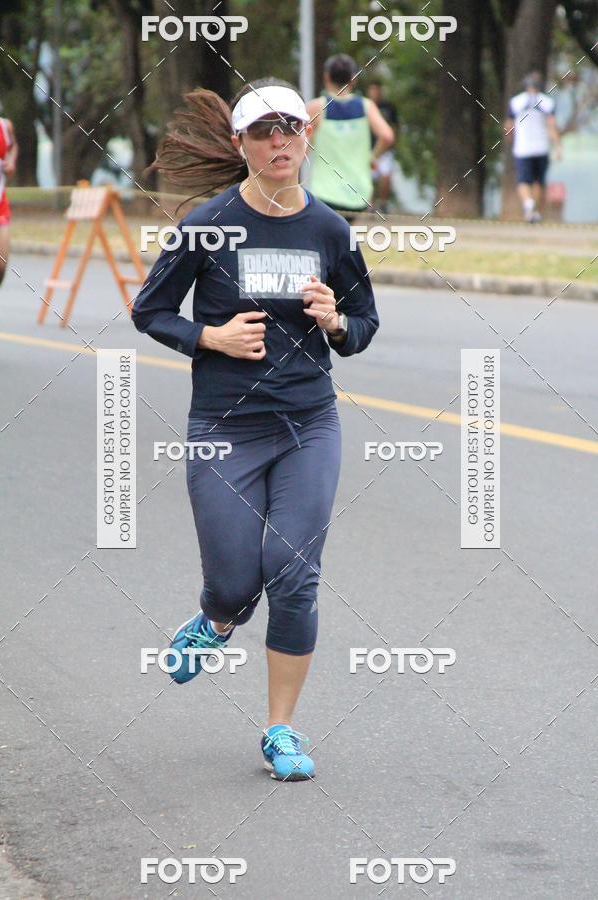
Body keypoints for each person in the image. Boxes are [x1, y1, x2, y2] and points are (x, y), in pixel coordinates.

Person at [132, 79, 379, 781]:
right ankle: (215, 620)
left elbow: (363, 327)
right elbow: (150, 311)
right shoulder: (208, 224)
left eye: (290, 129)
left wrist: (336, 322)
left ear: (306, 136)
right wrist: (209, 335)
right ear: (240, 143)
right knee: (239, 582)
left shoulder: (330, 230)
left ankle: (280, 731)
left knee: (294, 576)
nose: (279, 143)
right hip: (224, 429)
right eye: (264, 132)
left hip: (309, 424)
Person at [306, 55, 394, 219]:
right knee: (343, 236)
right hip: (357, 194)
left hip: (325, 193)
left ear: (326, 77)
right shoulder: (366, 106)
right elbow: (387, 136)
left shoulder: (317, 107)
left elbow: (299, 147)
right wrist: (372, 158)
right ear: (353, 79)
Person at [504, 70, 562, 223]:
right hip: (541, 148)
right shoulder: (548, 102)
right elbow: (552, 125)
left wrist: (509, 138)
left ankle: (528, 204)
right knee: (538, 181)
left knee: (523, 181)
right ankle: (535, 211)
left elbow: (509, 125)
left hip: (522, 148)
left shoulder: (515, 102)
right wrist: (558, 146)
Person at [366, 81, 399, 214]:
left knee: (385, 177)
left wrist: (394, 144)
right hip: (370, 148)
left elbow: (395, 127)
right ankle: (370, 205)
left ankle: (383, 202)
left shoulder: (388, 107)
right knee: (369, 179)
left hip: (385, 150)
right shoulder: (364, 107)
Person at [0, 102, 17, 289]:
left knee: (1, 264)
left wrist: (10, 162)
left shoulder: (5, 126)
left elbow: (12, 147)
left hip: (0, 202)